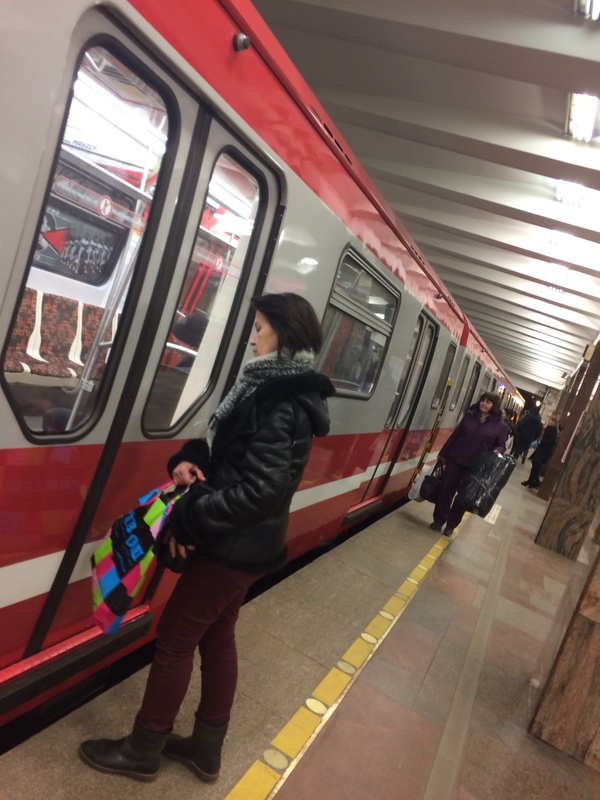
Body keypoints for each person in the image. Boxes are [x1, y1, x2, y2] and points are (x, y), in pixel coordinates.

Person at [79, 293, 335, 783]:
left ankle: (143, 747)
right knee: (217, 638)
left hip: (232, 546)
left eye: (260, 328)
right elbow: (228, 452)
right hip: (245, 543)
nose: (253, 337)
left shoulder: (279, 401)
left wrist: (187, 520)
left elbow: (259, 491)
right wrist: (190, 456)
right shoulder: (269, 388)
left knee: (175, 639)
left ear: (284, 333)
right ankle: (204, 748)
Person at [430, 392, 507, 536]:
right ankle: (439, 520)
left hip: (476, 467)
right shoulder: (470, 416)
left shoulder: (500, 426)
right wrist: (443, 453)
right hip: (455, 459)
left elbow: (502, 445)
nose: (484, 403)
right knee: (445, 491)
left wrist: (497, 451)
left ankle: (451, 525)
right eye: (482, 400)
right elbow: (456, 436)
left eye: (488, 402)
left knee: (463, 497)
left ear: (494, 406)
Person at [521, 415, 559, 489]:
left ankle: (533, 481)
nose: (549, 422)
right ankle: (533, 481)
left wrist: (542, 441)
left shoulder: (553, 429)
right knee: (535, 463)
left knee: (536, 464)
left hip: (545, 449)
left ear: (554, 422)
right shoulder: (549, 428)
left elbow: (552, 440)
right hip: (542, 448)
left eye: (550, 420)